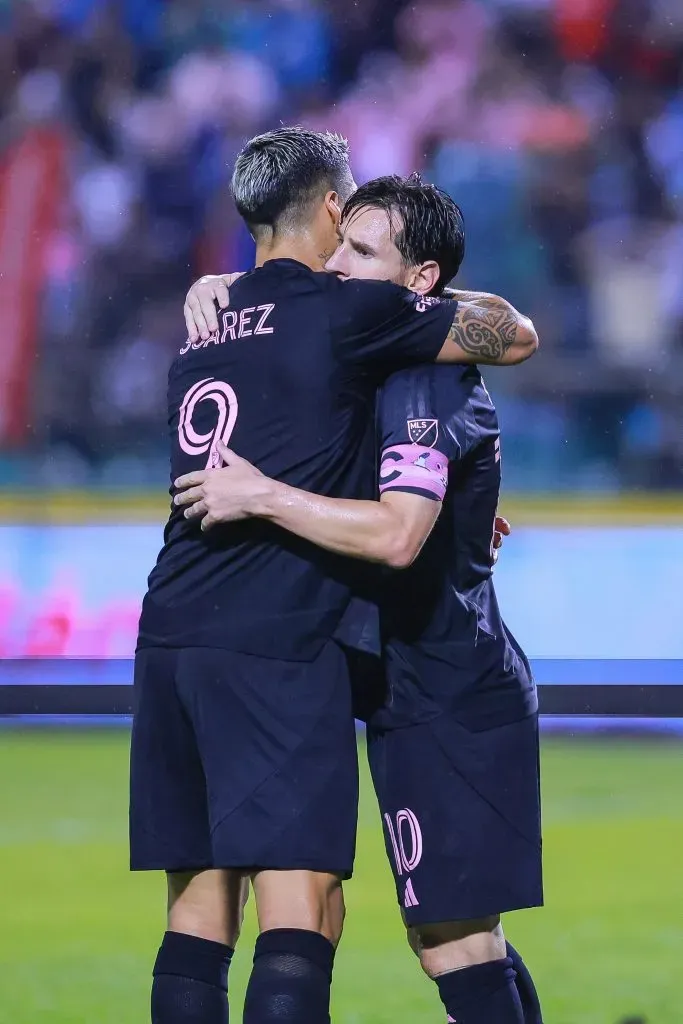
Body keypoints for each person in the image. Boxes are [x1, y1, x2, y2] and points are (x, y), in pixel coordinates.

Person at [133, 127, 538, 1024]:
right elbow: (514, 334)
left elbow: (315, 428)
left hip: (169, 632)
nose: (348, 253)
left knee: (199, 909)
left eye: (370, 246)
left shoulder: (200, 332)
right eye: (346, 230)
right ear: (325, 208)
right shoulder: (346, 313)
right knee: (304, 906)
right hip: (277, 642)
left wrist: (461, 512)